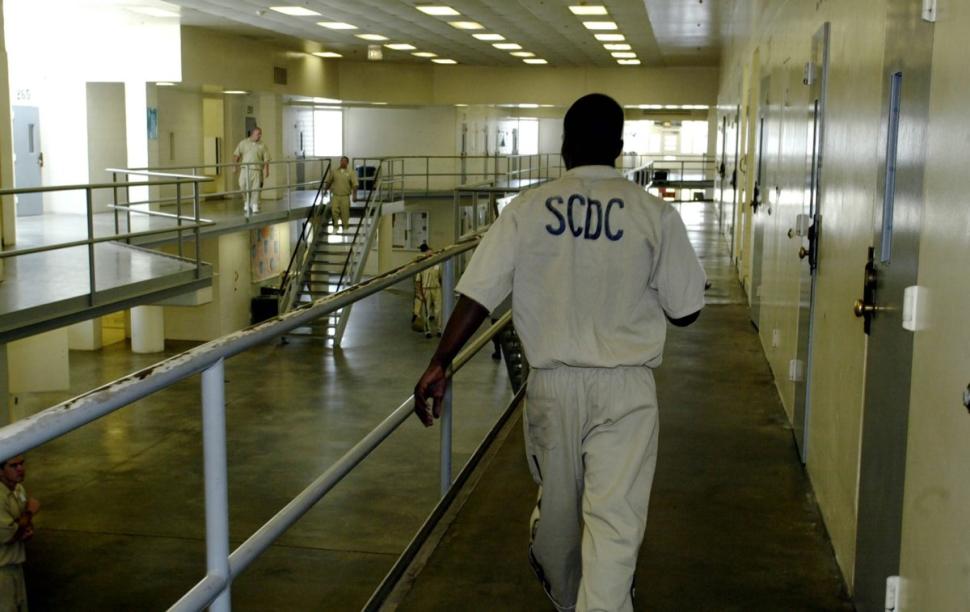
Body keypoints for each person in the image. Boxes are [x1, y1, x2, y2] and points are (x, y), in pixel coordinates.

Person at [413, 93, 706, 611]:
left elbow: (478, 292)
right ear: (618, 146)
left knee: (611, 535)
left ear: (564, 145)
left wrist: (441, 361)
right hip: (624, 388)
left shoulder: (526, 210)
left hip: (558, 386)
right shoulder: (655, 216)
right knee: (564, 536)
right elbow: (687, 312)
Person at [1, 455, 39, 612]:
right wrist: (30, 512)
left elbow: (22, 524)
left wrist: (27, 528)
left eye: (21, 464)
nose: (20, 469)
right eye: (13, 466)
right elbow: (9, 536)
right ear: (0, 472)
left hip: (15, 565)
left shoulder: (18, 489)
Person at [233, 126, 271, 215]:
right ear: (253, 134)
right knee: (242, 185)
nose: (260, 136)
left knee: (256, 188)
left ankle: (254, 204)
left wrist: (266, 170)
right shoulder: (243, 143)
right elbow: (236, 155)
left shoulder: (262, 145)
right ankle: (246, 201)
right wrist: (234, 166)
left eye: (260, 134)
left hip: (257, 170)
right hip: (244, 169)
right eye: (258, 134)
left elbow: (266, 159)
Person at [414, 242, 442, 338]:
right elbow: (418, 281)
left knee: (438, 311)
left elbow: (441, 278)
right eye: (428, 253)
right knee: (426, 312)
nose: (430, 255)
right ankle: (428, 331)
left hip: (436, 289)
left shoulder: (438, 265)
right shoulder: (422, 265)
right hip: (426, 289)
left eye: (431, 253)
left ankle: (439, 329)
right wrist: (419, 293)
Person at [324, 156, 358, 234]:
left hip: (345, 196)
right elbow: (329, 181)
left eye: (344, 161)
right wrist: (325, 190)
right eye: (341, 161)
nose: (342, 162)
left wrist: (354, 195)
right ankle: (336, 226)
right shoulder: (334, 171)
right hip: (335, 195)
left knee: (345, 213)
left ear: (347, 163)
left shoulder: (351, 172)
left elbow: (355, 184)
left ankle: (345, 227)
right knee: (334, 211)